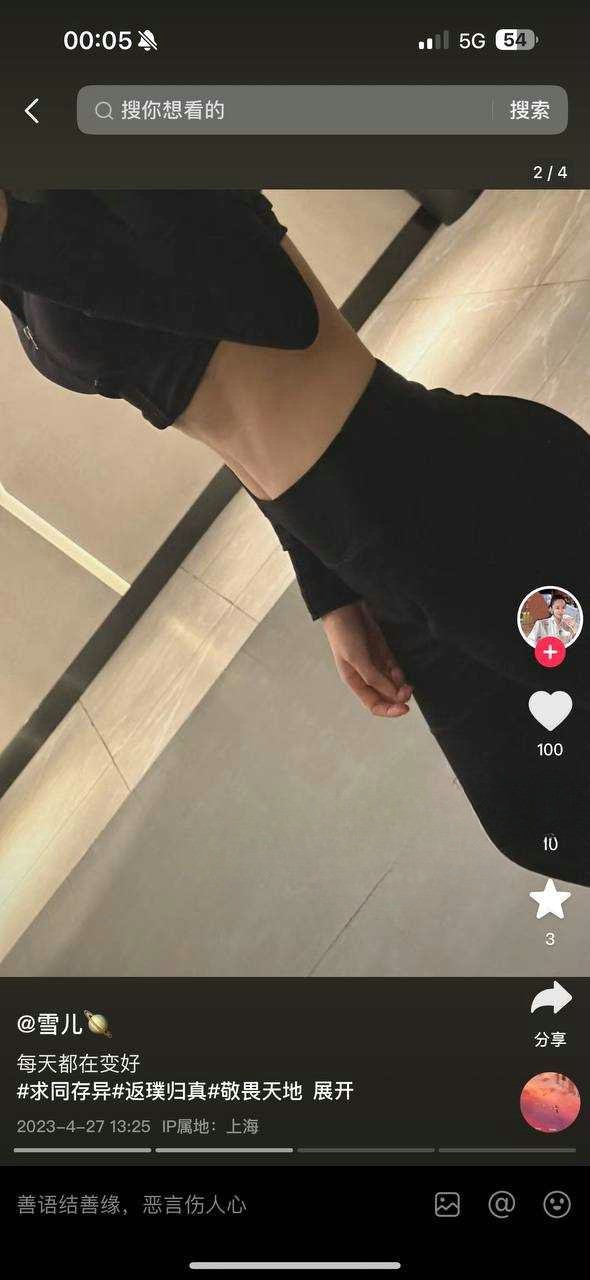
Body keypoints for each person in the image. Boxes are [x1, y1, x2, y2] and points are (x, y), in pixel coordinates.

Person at [1, 189, 589, 886]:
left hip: (449, 502)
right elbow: (220, 416)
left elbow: (275, 306)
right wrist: (329, 589)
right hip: (369, 551)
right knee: (535, 814)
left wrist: (20, 239)